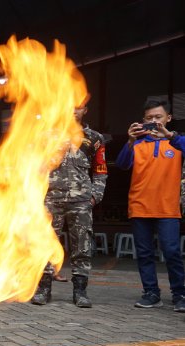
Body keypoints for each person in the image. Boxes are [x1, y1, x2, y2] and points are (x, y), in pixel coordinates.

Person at [31, 102, 107, 307]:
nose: (73, 110)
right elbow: (35, 168)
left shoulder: (94, 138)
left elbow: (100, 169)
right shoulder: (45, 136)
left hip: (81, 201)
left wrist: (95, 196)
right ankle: (43, 288)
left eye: (79, 106)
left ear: (85, 110)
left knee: (81, 246)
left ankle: (80, 291)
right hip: (51, 199)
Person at [115, 99, 185, 311]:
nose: (154, 121)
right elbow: (121, 164)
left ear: (168, 119)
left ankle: (180, 294)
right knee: (144, 253)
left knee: (172, 251)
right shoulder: (136, 143)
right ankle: (151, 293)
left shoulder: (177, 142)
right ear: (142, 121)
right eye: (149, 118)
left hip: (168, 208)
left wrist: (170, 136)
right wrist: (128, 141)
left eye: (158, 117)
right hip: (140, 205)